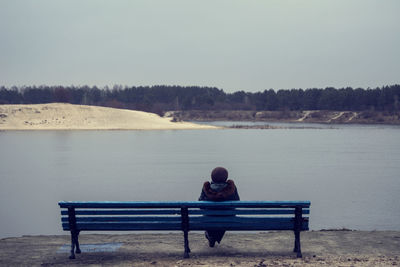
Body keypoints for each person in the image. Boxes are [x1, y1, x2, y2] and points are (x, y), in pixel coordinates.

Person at [198, 167, 240, 247]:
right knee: (223, 219)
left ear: (212, 177)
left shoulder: (206, 188)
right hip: (228, 218)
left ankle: (211, 237)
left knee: (211, 218)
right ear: (226, 177)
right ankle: (214, 238)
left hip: (209, 218)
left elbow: (200, 204)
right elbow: (237, 202)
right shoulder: (231, 188)